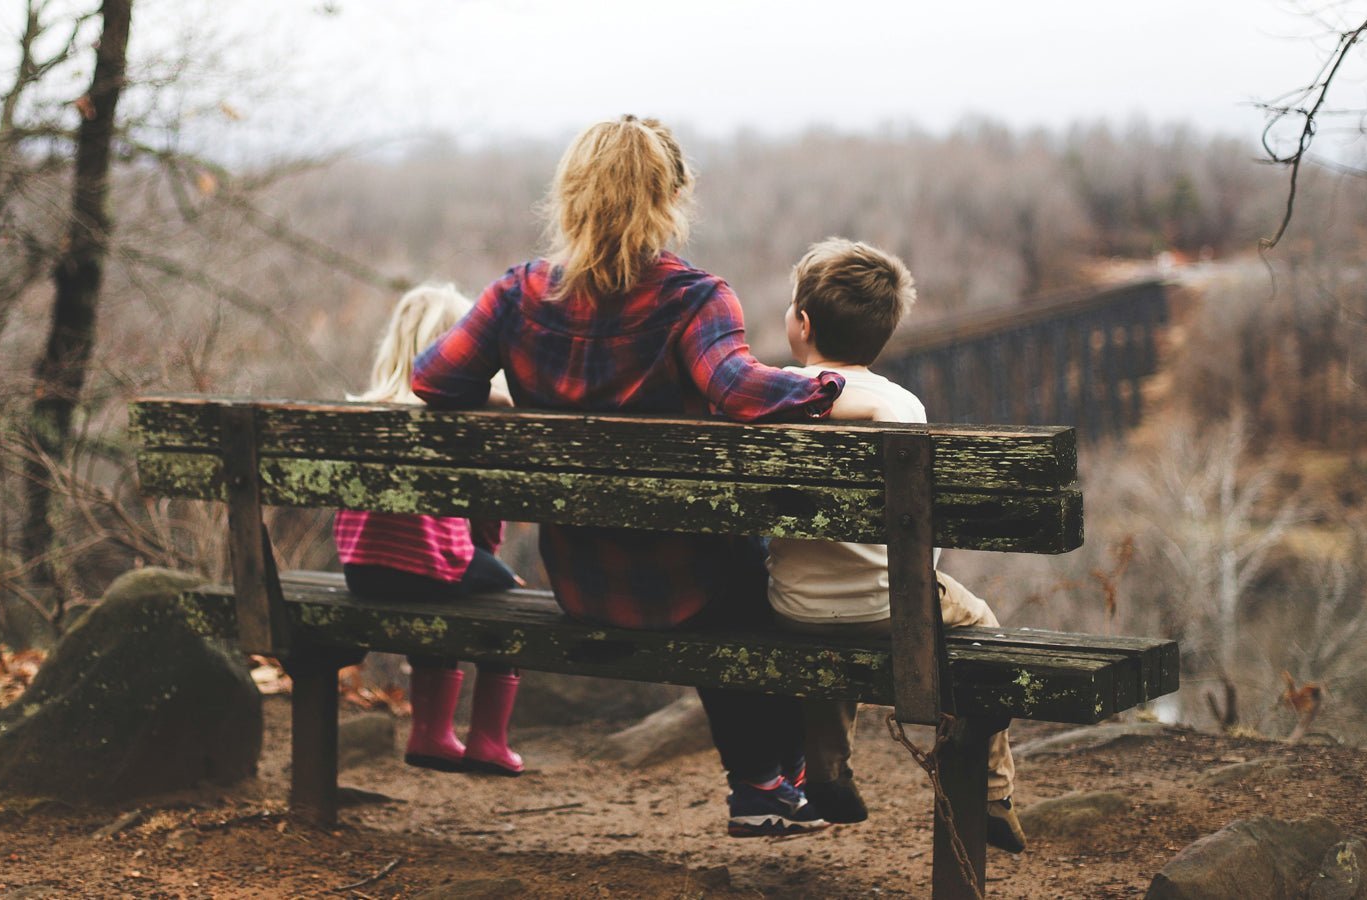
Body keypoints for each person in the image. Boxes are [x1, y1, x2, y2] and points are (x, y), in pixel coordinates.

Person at [412, 116, 876, 837]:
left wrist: (503, 397)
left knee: (735, 568)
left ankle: (768, 783)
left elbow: (431, 380)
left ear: (569, 196)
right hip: (689, 585)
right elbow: (741, 391)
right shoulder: (693, 298)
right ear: (669, 198)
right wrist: (829, 389)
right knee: (758, 578)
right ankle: (768, 783)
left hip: (580, 580)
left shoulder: (516, 295)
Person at [765, 237, 1027, 852]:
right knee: (981, 624)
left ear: (802, 324)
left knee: (830, 614)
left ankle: (827, 771)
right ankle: (992, 791)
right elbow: (922, 535)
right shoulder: (902, 405)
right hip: (891, 607)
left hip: (793, 607)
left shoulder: (770, 396)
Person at [338, 283, 527, 776]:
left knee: (442, 583)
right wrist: (488, 559)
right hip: (428, 568)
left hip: (361, 571)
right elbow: (485, 514)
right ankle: (486, 740)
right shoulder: (457, 417)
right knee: (506, 593)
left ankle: (431, 732)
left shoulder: (363, 412)